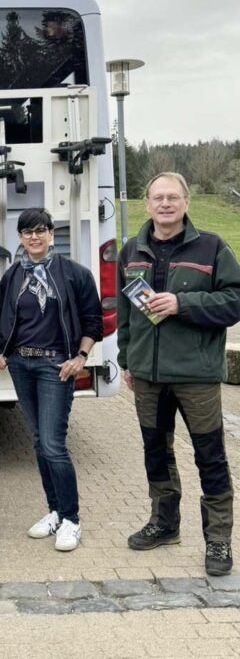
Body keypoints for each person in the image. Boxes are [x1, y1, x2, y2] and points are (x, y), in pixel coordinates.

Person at [118, 172, 240, 576]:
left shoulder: (212, 247)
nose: (165, 204)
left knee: (210, 456)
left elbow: (234, 301)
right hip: (148, 376)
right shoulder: (131, 250)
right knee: (156, 454)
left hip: (196, 375)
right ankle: (165, 524)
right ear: (147, 203)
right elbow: (124, 314)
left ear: (186, 202)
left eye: (173, 197)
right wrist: (126, 359)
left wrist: (182, 303)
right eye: (158, 197)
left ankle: (219, 541)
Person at [0, 208, 102, 552]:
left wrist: (80, 358)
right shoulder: (13, 275)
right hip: (21, 365)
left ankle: (71, 519)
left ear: (52, 233)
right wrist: (0, 349)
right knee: (39, 442)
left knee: (53, 444)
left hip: (57, 366)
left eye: (40, 231)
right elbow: (3, 316)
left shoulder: (74, 274)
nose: (34, 237)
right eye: (27, 232)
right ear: (20, 238)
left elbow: (92, 320)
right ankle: (54, 511)